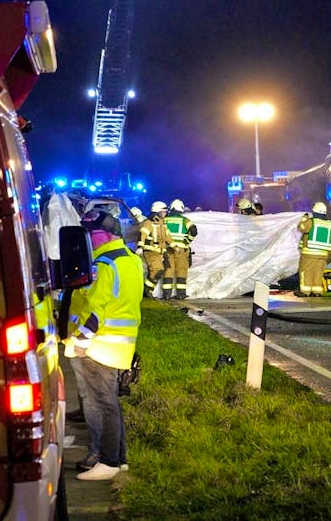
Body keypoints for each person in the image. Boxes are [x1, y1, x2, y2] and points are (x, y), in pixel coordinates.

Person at [67, 208, 144, 481]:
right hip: (119, 344)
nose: (89, 238)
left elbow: (97, 310)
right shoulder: (131, 260)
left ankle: (108, 461)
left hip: (98, 345)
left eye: (92, 233)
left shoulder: (104, 265)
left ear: (107, 234)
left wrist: (80, 342)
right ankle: (119, 459)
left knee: (102, 404)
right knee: (109, 402)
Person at [296, 201, 331, 297]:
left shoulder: (311, 222)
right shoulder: (329, 224)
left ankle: (305, 291)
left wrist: (304, 218)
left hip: (310, 253)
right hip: (323, 255)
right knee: (318, 272)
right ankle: (317, 291)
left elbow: (301, 227)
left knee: (306, 271)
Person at [138, 201, 173, 298]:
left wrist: (174, 246)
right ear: (157, 212)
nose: (165, 214)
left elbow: (168, 237)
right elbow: (143, 234)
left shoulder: (162, 224)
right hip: (151, 252)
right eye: (163, 212)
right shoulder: (148, 223)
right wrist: (140, 247)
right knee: (157, 270)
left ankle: (147, 290)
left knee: (158, 271)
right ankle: (146, 291)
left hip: (159, 252)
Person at [163, 199, 197, 299]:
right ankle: (181, 295)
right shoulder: (185, 220)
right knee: (181, 271)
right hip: (182, 250)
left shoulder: (165, 220)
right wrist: (186, 242)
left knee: (168, 271)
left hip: (168, 250)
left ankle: (166, 295)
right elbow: (194, 231)